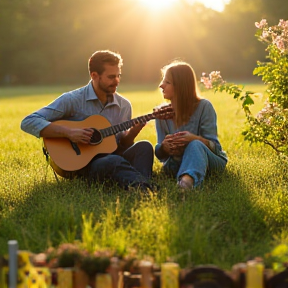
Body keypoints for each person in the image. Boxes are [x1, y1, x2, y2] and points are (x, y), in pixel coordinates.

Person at [21, 50, 155, 191]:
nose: (117, 81)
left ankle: (141, 186)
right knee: (113, 161)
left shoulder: (124, 105)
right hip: (83, 165)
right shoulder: (72, 99)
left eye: (118, 76)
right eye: (111, 77)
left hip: (113, 157)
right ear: (94, 76)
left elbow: (122, 144)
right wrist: (68, 133)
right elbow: (29, 121)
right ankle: (144, 186)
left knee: (144, 147)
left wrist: (134, 131)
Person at [154, 61, 228, 189]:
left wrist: (195, 139)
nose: (161, 85)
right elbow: (161, 157)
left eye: (167, 82)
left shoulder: (204, 107)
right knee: (186, 150)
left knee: (195, 145)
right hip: (175, 164)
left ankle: (186, 183)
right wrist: (165, 148)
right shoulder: (161, 113)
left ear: (180, 86)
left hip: (209, 162)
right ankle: (186, 179)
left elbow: (215, 148)